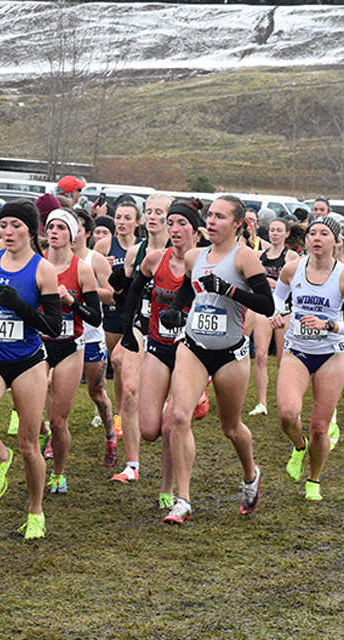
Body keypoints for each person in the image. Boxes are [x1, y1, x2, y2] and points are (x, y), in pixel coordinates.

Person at [159, 195, 274, 524]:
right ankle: (183, 500)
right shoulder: (195, 255)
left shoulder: (245, 258)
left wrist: (229, 290)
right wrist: (173, 310)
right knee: (179, 416)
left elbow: (266, 305)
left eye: (220, 217)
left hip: (230, 354)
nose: (211, 221)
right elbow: (188, 290)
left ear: (237, 224)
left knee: (231, 428)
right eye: (210, 215)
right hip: (193, 346)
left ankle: (250, 475)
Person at [0, 200, 61, 539]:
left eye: (15, 226)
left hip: (28, 361)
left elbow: (54, 326)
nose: (7, 232)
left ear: (31, 231)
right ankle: (0, 457)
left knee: (30, 446)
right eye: (3, 225)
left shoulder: (42, 270)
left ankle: (36, 511)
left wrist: (18, 306)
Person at [121, 199, 200, 509]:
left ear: (195, 229)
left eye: (182, 224)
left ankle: (171, 489)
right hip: (156, 344)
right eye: (172, 223)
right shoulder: (155, 259)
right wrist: (128, 331)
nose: (175, 230)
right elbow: (133, 293)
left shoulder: (205, 263)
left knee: (172, 425)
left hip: (190, 352)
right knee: (150, 429)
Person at [271, 216, 344, 501]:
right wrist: (277, 315)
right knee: (287, 414)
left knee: (319, 427)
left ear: (336, 241)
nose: (316, 238)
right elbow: (279, 299)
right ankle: (299, 448)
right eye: (312, 232)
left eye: (324, 233)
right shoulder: (292, 269)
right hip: (297, 350)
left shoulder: (340, 276)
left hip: (332, 354)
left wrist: (329, 325)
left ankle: (313, 479)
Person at [108, 194, 171, 484]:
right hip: (141, 325)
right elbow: (124, 291)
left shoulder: (187, 252)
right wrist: (114, 276)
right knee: (131, 390)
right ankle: (132, 465)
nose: (153, 217)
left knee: (168, 416)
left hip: (174, 331)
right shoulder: (136, 252)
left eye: (160, 212)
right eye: (149, 211)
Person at [40, 209, 101, 493]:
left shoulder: (82, 269)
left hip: (70, 347)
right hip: (38, 345)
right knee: (30, 414)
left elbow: (95, 318)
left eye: (60, 228)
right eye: (50, 227)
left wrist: (70, 302)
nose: (53, 232)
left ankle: (59, 473)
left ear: (72, 234)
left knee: (58, 420)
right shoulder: (36, 265)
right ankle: (35, 454)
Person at [71, 209, 117, 465]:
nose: (69, 234)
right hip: (60, 336)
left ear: (87, 234)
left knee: (97, 393)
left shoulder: (94, 259)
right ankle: (54, 440)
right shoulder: (48, 260)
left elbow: (112, 295)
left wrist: (84, 290)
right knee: (52, 387)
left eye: (76, 228)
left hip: (90, 336)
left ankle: (110, 435)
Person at [94, 202, 141, 439]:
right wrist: (105, 268)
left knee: (123, 363)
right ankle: (102, 406)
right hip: (111, 311)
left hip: (133, 314)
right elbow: (91, 274)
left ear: (137, 222)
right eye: (118, 217)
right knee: (108, 364)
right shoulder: (104, 245)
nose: (121, 222)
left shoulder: (142, 248)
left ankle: (122, 413)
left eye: (127, 218)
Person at [248, 217, 298, 416]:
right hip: (264, 310)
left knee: (282, 359)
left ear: (287, 234)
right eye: (272, 230)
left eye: (279, 230)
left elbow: (298, 284)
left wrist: (277, 285)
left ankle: (288, 402)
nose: (274, 233)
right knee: (260, 356)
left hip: (285, 312)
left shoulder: (292, 257)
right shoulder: (260, 255)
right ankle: (262, 403)